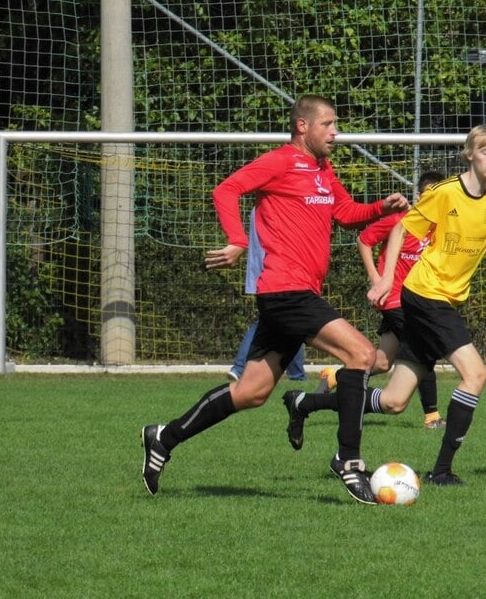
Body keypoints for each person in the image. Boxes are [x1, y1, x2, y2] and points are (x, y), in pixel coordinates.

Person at [141, 95, 409, 504]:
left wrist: (380, 208)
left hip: (295, 294)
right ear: (303, 126)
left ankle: (164, 436)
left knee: (251, 392)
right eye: (329, 124)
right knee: (361, 355)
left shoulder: (323, 169)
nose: (335, 132)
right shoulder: (281, 161)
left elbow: (345, 212)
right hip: (286, 291)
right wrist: (236, 240)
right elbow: (226, 190)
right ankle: (349, 462)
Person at [362, 124, 486, 486]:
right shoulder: (444, 192)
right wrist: (387, 279)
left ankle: (308, 403)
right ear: (470, 153)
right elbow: (400, 230)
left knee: (394, 401)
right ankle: (441, 471)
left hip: (446, 299)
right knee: (476, 374)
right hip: (425, 293)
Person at [282, 171, 447, 448]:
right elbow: (364, 239)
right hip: (396, 300)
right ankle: (432, 415)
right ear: (419, 196)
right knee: (424, 348)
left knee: (382, 362)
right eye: (428, 193)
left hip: (418, 300)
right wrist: (377, 278)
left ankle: (324, 385)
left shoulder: (440, 228)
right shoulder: (401, 220)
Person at [228, 210, 306, 382]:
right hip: (277, 275)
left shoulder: (261, 208)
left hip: (269, 272)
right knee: (289, 319)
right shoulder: (276, 208)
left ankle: (296, 374)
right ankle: (241, 367)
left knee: (289, 321)